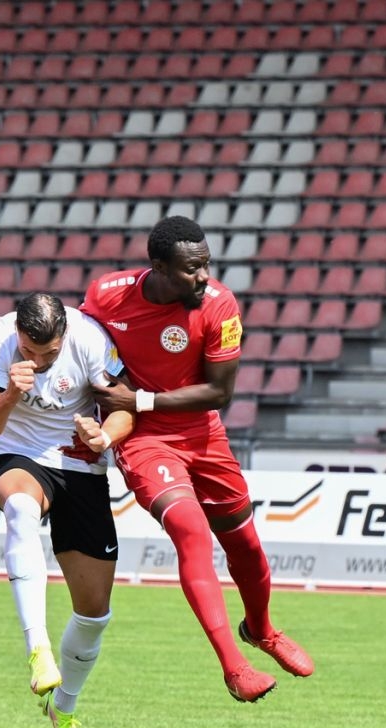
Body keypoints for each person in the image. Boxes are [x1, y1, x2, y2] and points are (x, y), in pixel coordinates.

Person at [83, 215, 311, 702]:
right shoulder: (106, 295)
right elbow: (82, 348)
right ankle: (235, 667)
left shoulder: (219, 305)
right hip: (144, 439)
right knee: (191, 529)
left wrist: (139, 398)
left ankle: (262, 630)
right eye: (192, 269)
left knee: (245, 545)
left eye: (206, 264)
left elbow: (220, 393)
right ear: (159, 267)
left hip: (203, 434)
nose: (204, 276)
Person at [0, 291, 133, 728]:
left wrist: (105, 436)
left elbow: (125, 408)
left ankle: (65, 710)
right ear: (18, 333)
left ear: (65, 334)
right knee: (19, 509)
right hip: (19, 454)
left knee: (94, 614)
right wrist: (10, 394)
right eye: (30, 351)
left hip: (79, 464)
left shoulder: (90, 339)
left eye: (49, 354)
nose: (38, 361)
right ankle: (37, 649)